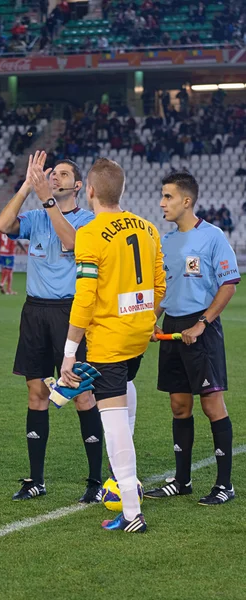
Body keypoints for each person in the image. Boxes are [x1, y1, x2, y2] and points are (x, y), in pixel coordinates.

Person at [60, 158, 166, 534]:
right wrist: (147, 319)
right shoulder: (149, 227)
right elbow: (159, 285)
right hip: (139, 333)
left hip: (108, 339)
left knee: (113, 418)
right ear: (120, 190)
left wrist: (70, 352)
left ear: (89, 190)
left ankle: (132, 509)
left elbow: (85, 297)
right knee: (123, 391)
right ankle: (129, 488)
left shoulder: (90, 232)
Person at [0, 151, 104, 503]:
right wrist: (28, 185)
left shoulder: (89, 220)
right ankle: (36, 480)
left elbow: (71, 242)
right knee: (36, 393)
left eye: (63, 174)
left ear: (78, 184)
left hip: (71, 314)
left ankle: (94, 480)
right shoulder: (37, 214)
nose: (54, 177)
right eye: (50, 173)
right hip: (35, 312)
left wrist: (46, 200)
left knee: (81, 393)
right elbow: (3, 225)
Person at [145, 171, 240, 505]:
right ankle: (182, 481)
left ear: (186, 201)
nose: (161, 203)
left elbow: (229, 283)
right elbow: (162, 289)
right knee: (179, 404)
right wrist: (150, 322)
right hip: (172, 326)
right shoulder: (165, 242)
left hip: (202, 328)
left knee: (211, 405)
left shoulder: (213, 237)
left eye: (168, 196)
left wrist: (202, 323)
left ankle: (224, 485)